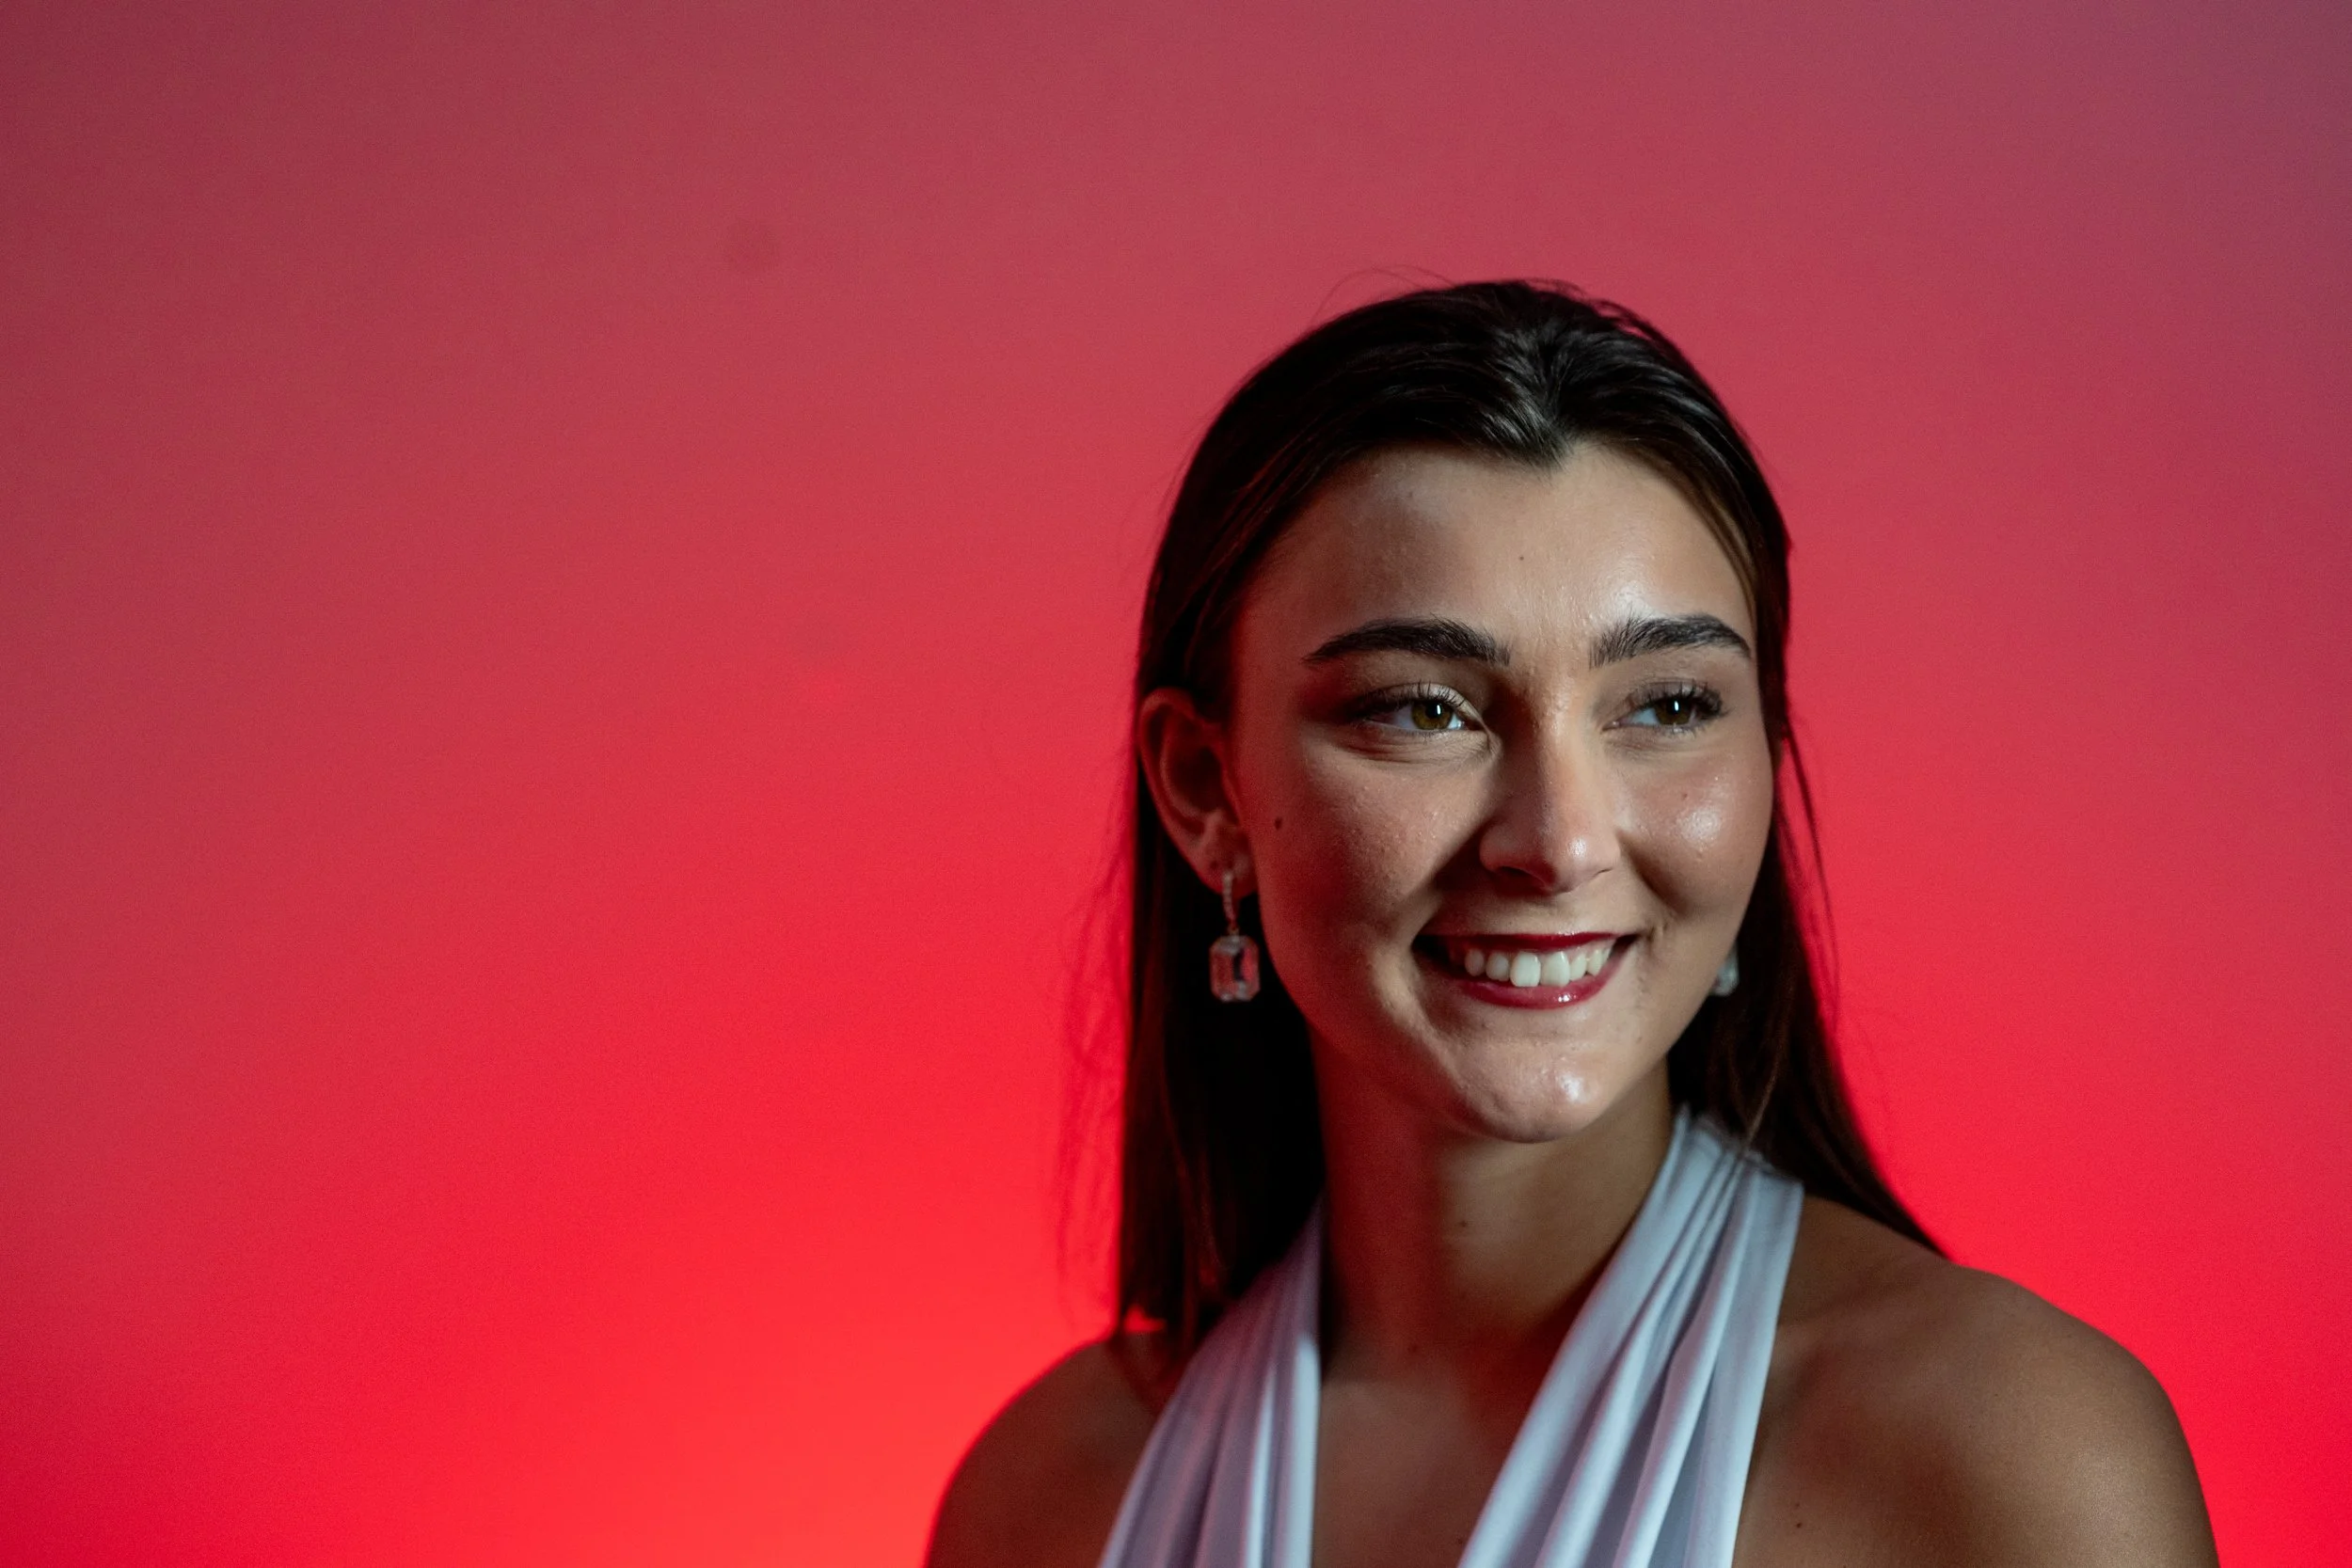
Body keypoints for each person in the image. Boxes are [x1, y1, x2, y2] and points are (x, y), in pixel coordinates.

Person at [925, 281, 2216, 1568]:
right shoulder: (1048, 1499)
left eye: (1663, 706)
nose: (1561, 842)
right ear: (1205, 788)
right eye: (1424, 707)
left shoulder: (2009, 1466)